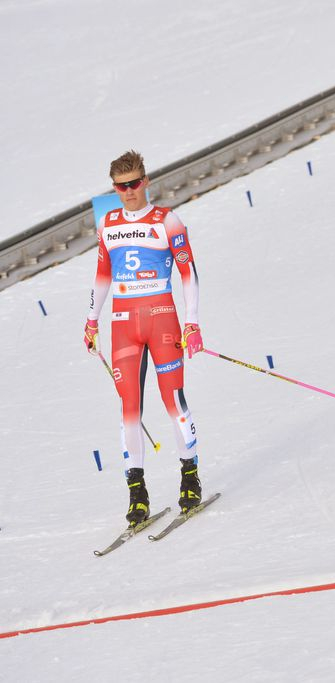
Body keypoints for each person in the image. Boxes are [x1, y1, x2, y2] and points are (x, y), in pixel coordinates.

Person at [83, 150, 205, 526]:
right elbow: (103, 275)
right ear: (114, 188)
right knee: (129, 410)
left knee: (174, 401)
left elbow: (188, 274)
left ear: (146, 181)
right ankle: (137, 494)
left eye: (134, 183)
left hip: (162, 320)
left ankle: (189, 478)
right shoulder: (108, 222)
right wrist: (91, 320)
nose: (129, 191)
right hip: (123, 323)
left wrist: (192, 322)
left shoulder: (168, 220)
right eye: (121, 186)